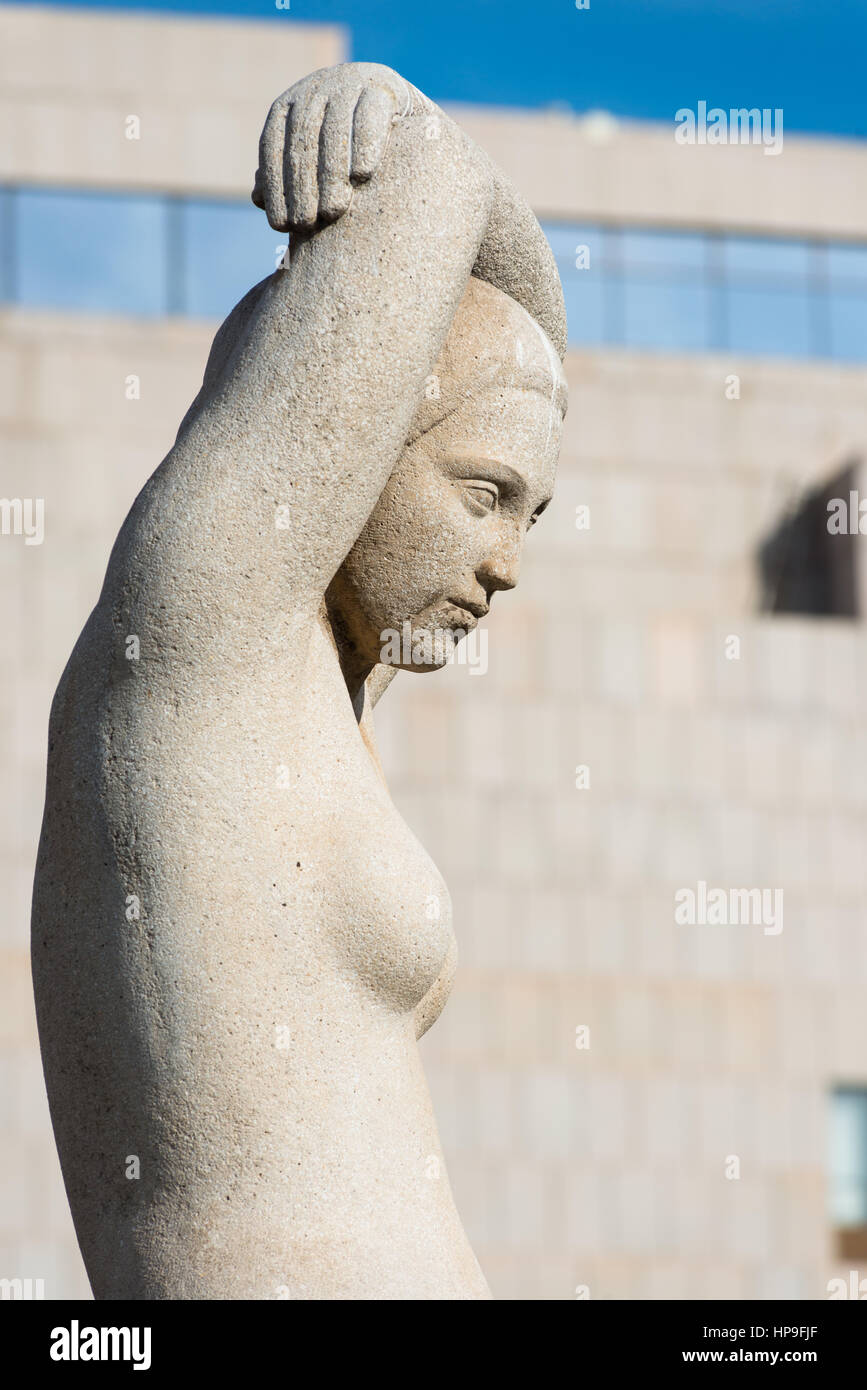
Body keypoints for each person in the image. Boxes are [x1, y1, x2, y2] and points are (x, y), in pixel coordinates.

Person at [32, 62, 567, 1299]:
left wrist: (458, 189)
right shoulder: (199, 621)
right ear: (351, 423)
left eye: (533, 514)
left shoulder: (321, 702)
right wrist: (396, 116)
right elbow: (432, 191)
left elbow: (521, 330)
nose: (509, 563)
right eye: (483, 494)